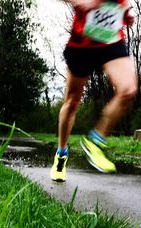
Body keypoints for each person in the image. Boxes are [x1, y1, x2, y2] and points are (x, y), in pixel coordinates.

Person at [51, 0, 138, 181]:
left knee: (128, 90)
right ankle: (61, 154)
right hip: (82, 44)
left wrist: (124, 13)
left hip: (111, 41)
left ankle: (96, 142)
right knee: (72, 102)